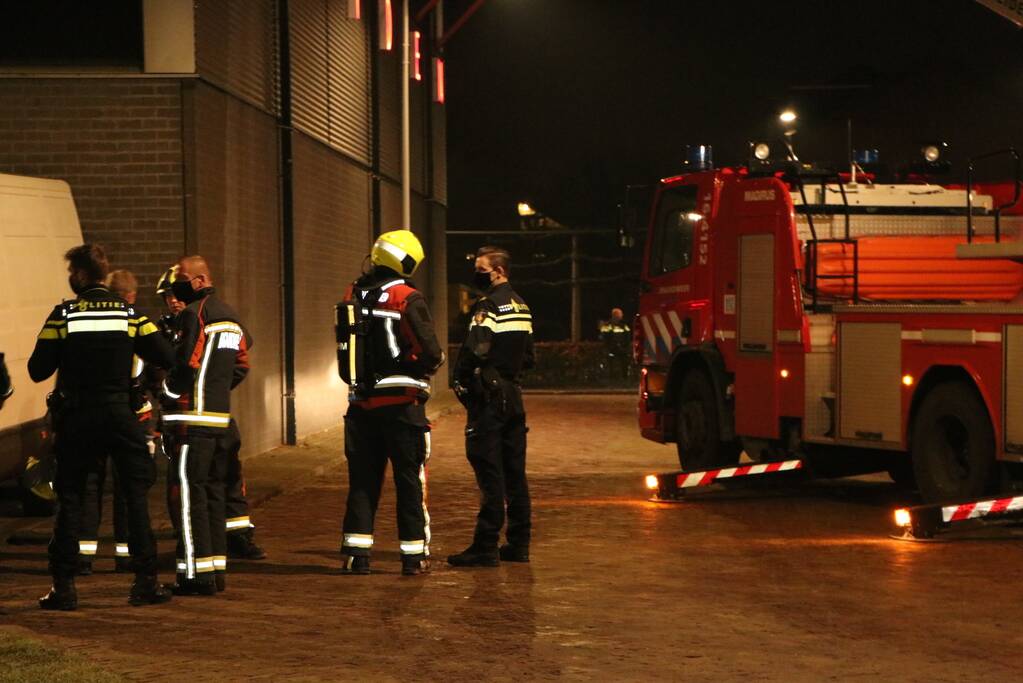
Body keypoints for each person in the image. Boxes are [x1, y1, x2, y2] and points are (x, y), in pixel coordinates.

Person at [29, 244, 175, 610]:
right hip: (120, 416)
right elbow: (165, 356)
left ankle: (64, 587)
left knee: (71, 499)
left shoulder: (63, 315)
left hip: (78, 417)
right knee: (135, 498)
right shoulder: (130, 314)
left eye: (71, 273)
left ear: (80, 275)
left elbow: (37, 370)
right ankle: (145, 582)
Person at [337, 229, 444, 576]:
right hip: (402, 406)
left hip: (361, 404)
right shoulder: (405, 297)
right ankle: (413, 557)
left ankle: (356, 555)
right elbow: (430, 351)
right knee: (409, 480)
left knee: (362, 482)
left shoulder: (353, 294)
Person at [155, 264, 265, 561]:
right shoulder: (220, 315)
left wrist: (171, 393)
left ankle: (203, 556)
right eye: (168, 295)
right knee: (210, 487)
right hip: (212, 416)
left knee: (201, 487)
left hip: (192, 418)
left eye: (177, 290)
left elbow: (187, 366)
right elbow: (240, 362)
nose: (174, 299)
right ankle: (212, 557)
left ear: (199, 280)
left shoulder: (196, 316)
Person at [449, 246, 535, 567]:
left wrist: (461, 380)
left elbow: (476, 349)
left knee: (489, 471)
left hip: (489, 397)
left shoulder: (489, 306)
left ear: (498, 271)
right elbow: (529, 356)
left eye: (481, 269)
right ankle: (519, 543)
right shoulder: (522, 306)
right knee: (515, 473)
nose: (476, 274)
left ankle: (485, 546)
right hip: (513, 396)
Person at [77, 269, 155, 575]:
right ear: (132, 295)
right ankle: (125, 554)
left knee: (89, 485)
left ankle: (84, 556)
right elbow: (158, 366)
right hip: (130, 416)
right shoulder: (137, 323)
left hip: (91, 414)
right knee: (128, 488)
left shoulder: (84, 322)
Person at [599, 307, 631, 381]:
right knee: (611, 364)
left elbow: (628, 337)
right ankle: (612, 378)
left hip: (622, 349)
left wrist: (625, 347)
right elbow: (605, 338)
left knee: (624, 362)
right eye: (620, 314)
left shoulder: (624, 325)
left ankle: (624, 378)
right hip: (611, 349)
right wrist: (608, 348)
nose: (621, 316)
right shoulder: (608, 325)